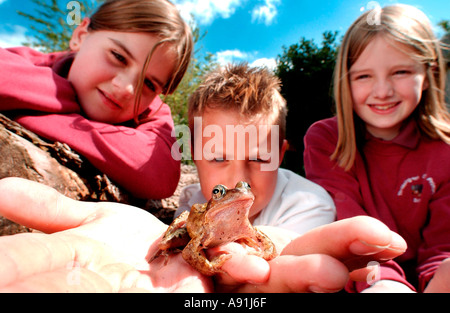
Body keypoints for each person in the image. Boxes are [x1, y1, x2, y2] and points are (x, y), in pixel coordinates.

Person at [0, 176, 408, 293]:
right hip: (194, 224)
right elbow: (194, 249)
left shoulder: (250, 217)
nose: (238, 190)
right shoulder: (204, 211)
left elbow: (262, 243)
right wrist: (209, 261)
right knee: (175, 236)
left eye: (244, 189)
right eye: (223, 190)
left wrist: (263, 247)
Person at [304, 4, 450, 292]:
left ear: (429, 71)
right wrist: (386, 285)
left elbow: (442, 246)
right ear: (345, 81)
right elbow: (349, 233)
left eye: (400, 71)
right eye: (364, 76)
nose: (382, 91)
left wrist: (440, 279)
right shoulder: (325, 139)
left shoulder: (445, 151)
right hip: (364, 278)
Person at [0, 0, 193, 199]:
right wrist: (64, 92)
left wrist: (28, 113)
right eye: (118, 56)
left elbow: (159, 175)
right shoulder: (31, 62)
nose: (127, 88)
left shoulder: (153, 112)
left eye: (149, 84)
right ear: (80, 35)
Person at [175, 63, 336, 235]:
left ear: (279, 156)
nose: (239, 181)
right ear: (195, 157)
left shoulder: (309, 207)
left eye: (258, 159)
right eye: (219, 159)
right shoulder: (193, 204)